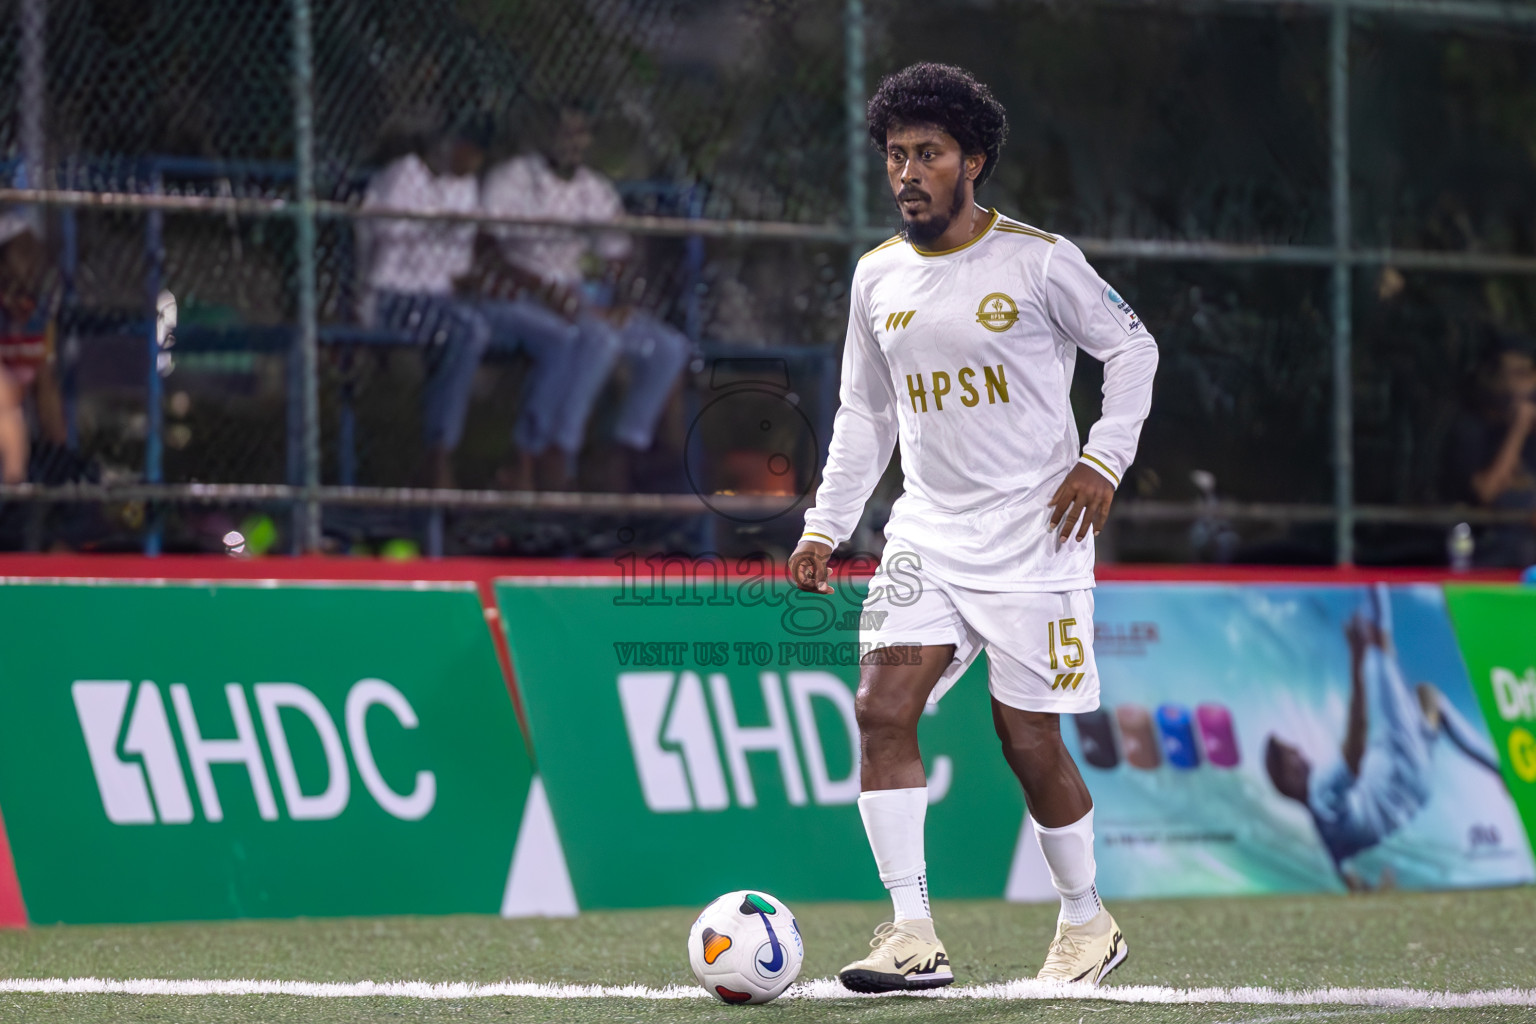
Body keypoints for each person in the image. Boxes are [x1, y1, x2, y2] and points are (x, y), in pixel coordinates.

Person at [786, 63, 1158, 992]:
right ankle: (912, 932)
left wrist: (1103, 459)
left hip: (1038, 533)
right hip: (928, 534)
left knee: (1027, 741)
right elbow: (864, 415)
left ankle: (1086, 924)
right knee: (879, 711)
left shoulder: (1038, 260)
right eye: (896, 156)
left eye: (929, 153)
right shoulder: (877, 277)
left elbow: (1132, 348)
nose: (907, 172)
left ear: (973, 160)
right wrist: (824, 527)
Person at [479, 104, 689, 489]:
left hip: (579, 295)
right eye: (564, 131)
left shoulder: (593, 189)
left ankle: (622, 452)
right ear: (544, 134)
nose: (572, 142)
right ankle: (560, 452)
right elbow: (486, 249)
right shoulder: (513, 179)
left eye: (581, 133)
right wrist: (543, 289)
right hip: (528, 294)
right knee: (597, 339)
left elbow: (617, 257)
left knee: (668, 348)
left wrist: (624, 299)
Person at [1265, 585, 1501, 891]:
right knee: (1378, 646)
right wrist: (1356, 660)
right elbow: (1355, 747)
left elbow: (1346, 875)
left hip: (1413, 789)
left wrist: (1372, 890)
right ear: (1289, 778)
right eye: (1290, 754)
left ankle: (1500, 770)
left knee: (1429, 699)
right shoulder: (1321, 792)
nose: (1298, 750)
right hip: (1399, 762)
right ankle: (1374, 575)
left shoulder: (1324, 833)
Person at [356, 125, 490, 488]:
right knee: (466, 331)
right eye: (471, 151)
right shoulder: (405, 175)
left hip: (442, 299)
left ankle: (442, 446)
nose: (474, 163)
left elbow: (456, 266)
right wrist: (435, 222)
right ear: (452, 145)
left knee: (481, 324)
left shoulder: (465, 186)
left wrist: (478, 279)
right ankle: (439, 453)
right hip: (391, 296)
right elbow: (382, 240)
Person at [1444, 331, 1536, 567]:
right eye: (1517, 374)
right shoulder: (1470, 431)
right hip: (1481, 547)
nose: (1527, 385)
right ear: (1491, 379)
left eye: (1530, 374)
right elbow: (1487, 492)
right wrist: (1518, 429)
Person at [0, 212, 64, 485]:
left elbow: (43, 383)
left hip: (16, 403)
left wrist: (58, 450)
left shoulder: (38, 317)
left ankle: (54, 471)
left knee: (41, 387)